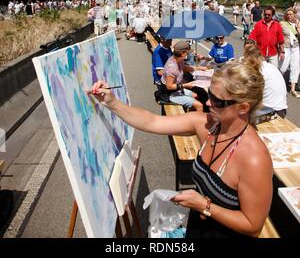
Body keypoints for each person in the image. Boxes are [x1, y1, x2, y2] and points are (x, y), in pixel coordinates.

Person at [88, 60, 273, 238]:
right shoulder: (209, 124)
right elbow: (152, 122)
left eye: (217, 101)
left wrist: (204, 206)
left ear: (243, 107)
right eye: (209, 95)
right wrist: (111, 102)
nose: (208, 103)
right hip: (198, 226)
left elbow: (252, 226)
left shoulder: (254, 159)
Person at [243, 39, 288, 118]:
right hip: (281, 108)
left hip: (271, 109)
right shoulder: (269, 66)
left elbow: (250, 93)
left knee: (237, 109)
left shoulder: (258, 70)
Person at [159, 40, 205, 111]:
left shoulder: (179, 59)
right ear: (182, 53)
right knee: (199, 105)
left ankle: (190, 118)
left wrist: (198, 68)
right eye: (187, 53)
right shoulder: (172, 68)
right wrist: (186, 85)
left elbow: (184, 68)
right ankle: (195, 121)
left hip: (176, 89)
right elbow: (169, 86)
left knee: (196, 96)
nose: (188, 54)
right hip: (169, 94)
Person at [279, 8, 300, 98]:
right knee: (283, 68)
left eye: (291, 14)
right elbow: (278, 36)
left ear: (294, 15)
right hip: (286, 48)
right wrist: (280, 49)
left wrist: (298, 27)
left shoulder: (297, 23)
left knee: (295, 68)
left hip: (295, 48)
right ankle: (279, 86)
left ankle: (293, 90)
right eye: (288, 14)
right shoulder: (282, 23)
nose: (289, 16)